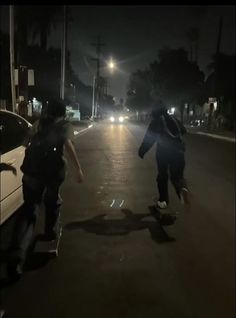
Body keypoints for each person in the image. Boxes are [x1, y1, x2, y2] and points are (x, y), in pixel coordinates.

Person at [7, 99, 84, 279]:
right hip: (51, 174)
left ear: (47, 111)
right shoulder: (65, 126)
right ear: (64, 113)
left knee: (29, 211)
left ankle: (16, 255)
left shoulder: (38, 124)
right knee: (52, 202)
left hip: (32, 173)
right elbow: (68, 145)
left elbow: (25, 143)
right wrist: (78, 168)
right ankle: (50, 233)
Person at [138, 100, 189, 209]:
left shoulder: (156, 122)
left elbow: (149, 139)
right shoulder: (174, 119)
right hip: (179, 152)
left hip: (164, 153)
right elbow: (183, 130)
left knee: (162, 176)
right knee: (177, 177)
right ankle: (182, 190)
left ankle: (163, 201)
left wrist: (142, 151)